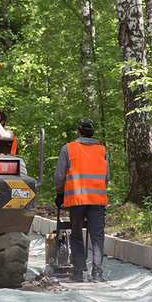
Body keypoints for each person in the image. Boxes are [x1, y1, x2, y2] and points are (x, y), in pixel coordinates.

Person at [54, 118, 109, 283]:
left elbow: (59, 175)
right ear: (93, 133)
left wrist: (59, 193)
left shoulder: (68, 148)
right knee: (97, 236)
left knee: (76, 234)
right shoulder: (102, 150)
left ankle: (78, 273)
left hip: (76, 198)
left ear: (78, 131)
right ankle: (97, 274)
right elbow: (106, 177)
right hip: (97, 199)